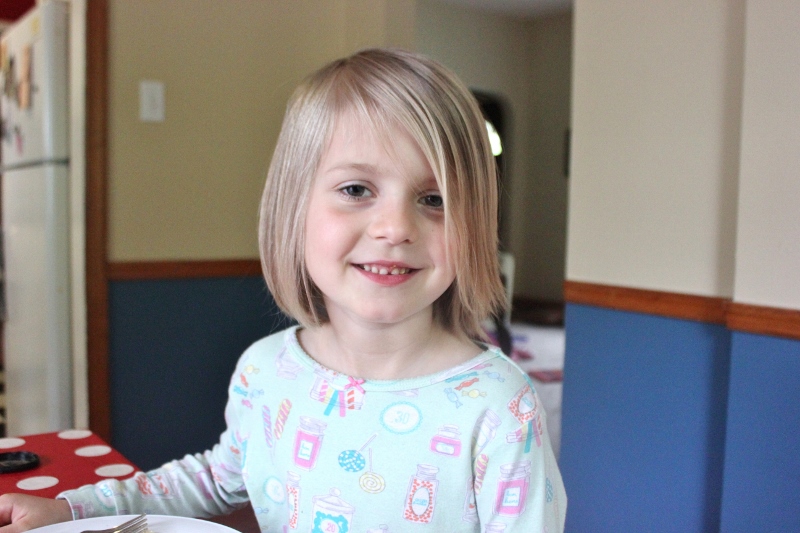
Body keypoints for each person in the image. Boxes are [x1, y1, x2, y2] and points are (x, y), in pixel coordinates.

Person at [0, 48, 566, 532]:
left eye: (434, 199)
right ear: (293, 208)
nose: (396, 228)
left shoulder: (500, 407)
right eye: (356, 189)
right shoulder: (266, 371)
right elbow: (214, 481)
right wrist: (69, 509)